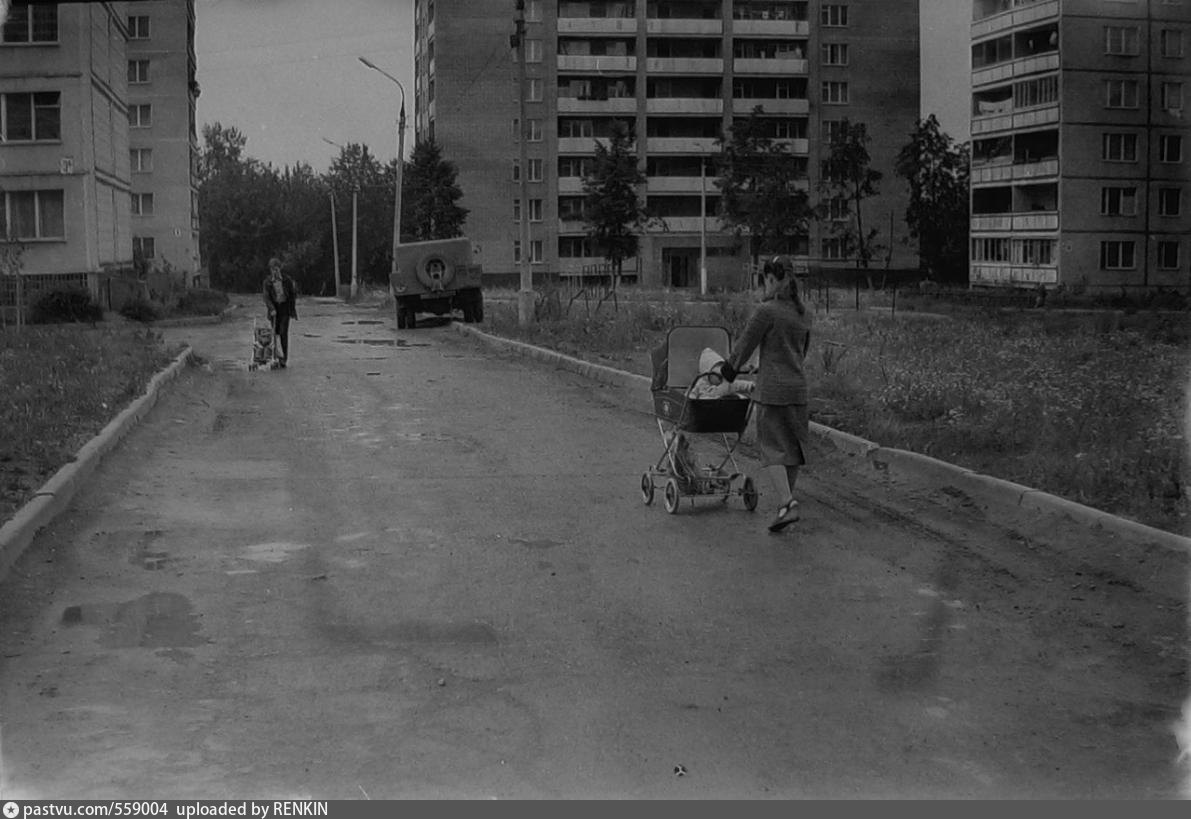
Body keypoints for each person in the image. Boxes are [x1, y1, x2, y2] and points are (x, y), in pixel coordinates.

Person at [719, 258, 812, 533]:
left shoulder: (766, 311)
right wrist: (766, 363)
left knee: (771, 449)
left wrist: (728, 372)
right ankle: (786, 507)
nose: (764, 286)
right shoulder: (804, 313)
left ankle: (787, 503)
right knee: (792, 450)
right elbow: (798, 353)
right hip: (798, 389)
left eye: (765, 281)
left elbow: (744, 345)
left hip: (773, 392)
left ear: (772, 280)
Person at [262, 257, 298, 368]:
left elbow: (292, 295)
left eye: (276, 269)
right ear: (270, 270)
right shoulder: (267, 282)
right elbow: (266, 297)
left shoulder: (287, 280)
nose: (275, 271)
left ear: (280, 269)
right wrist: (271, 308)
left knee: (283, 333)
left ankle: (284, 358)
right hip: (274, 310)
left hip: (284, 309)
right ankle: (275, 357)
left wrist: (292, 309)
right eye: (273, 269)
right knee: (274, 334)